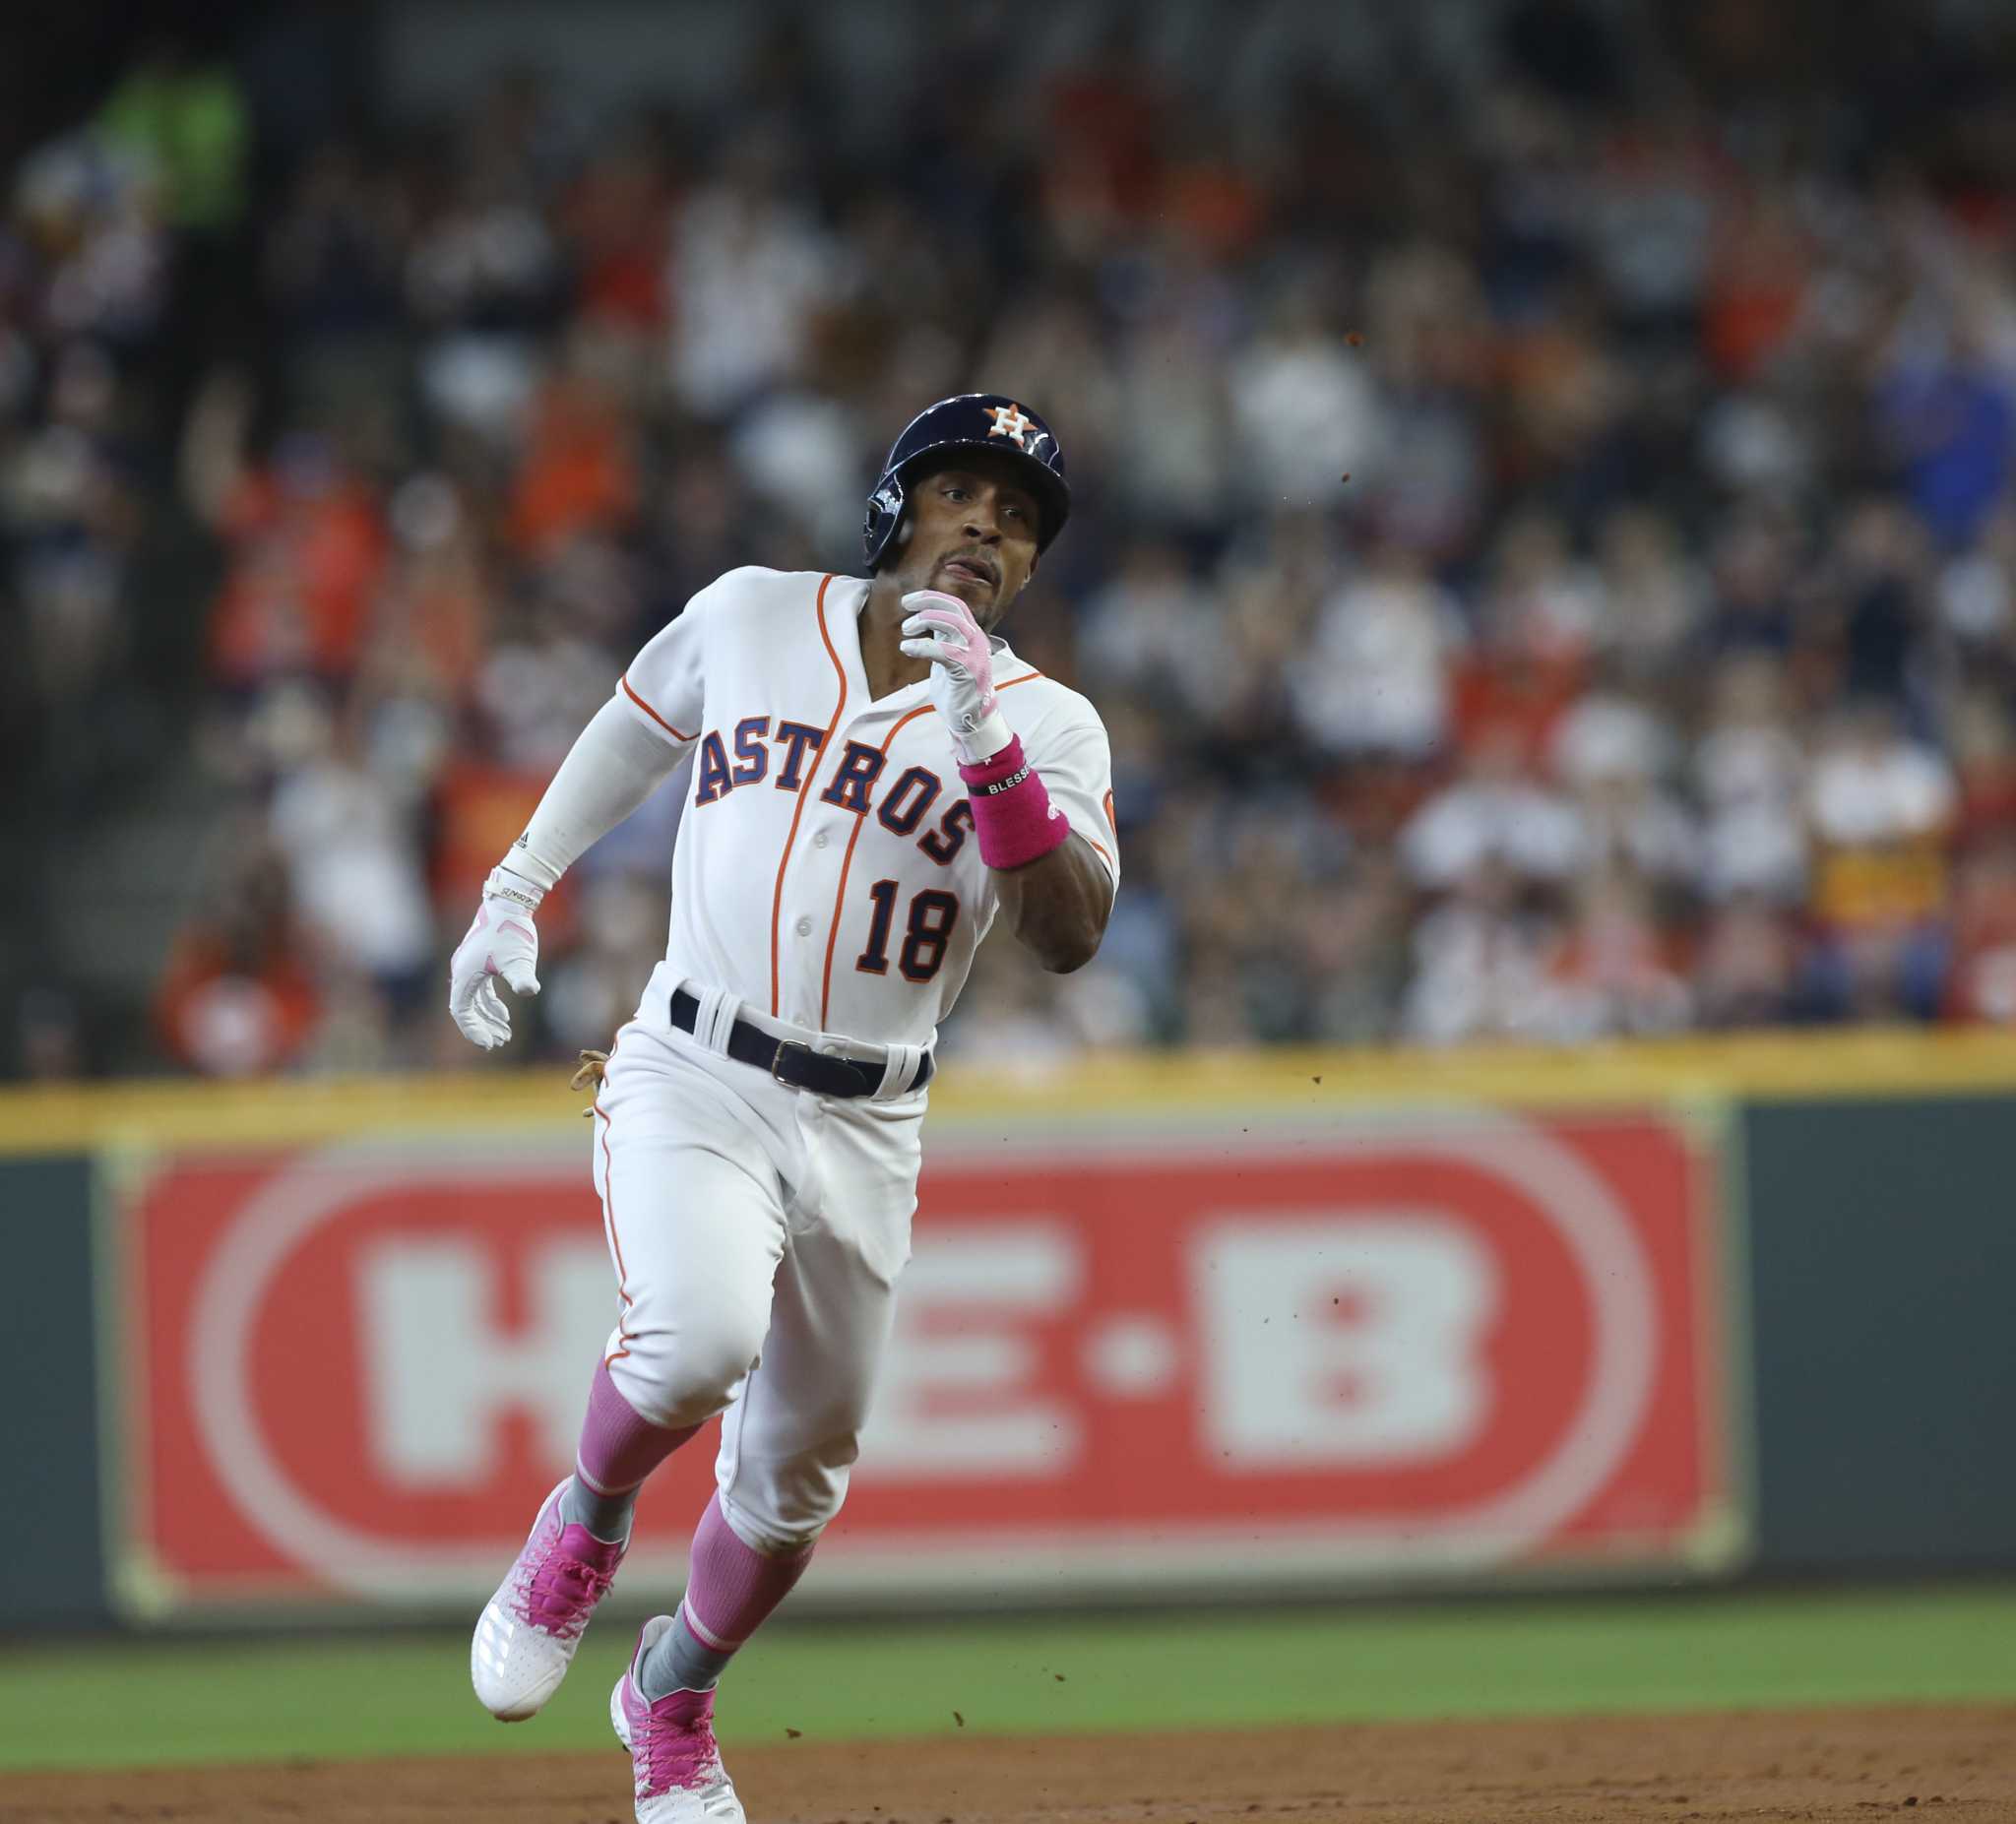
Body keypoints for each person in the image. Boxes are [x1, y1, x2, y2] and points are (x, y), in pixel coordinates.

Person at [448, 395, 1118, 1823]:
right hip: (699, 1065)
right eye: (962, 493)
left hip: (873, 1119)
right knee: (697, 1338)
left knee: (796, 1482)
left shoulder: (1050, 719)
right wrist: (514, 888)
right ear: (898, 508)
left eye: (1016, 516)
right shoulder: (756, 612)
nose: (988, 526)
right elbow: (632, 731)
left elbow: (1068, 929)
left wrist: (988, 744)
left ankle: (670, 1697)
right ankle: (585, 1520)